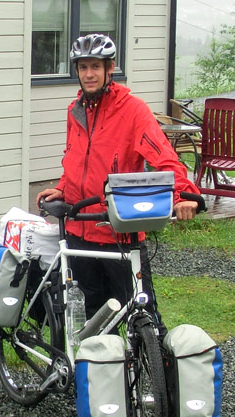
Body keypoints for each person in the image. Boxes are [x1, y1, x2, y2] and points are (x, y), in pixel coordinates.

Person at [37, 33, 200, 335]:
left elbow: (164, 157)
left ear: (110, 69)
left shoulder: (132, 111)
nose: (89, 74)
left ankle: (161, 378)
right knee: (90, 323)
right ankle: (95, 379)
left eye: (95, 66)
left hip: (118, 232)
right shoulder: (76, 110)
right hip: (78, 229)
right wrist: (63, 186)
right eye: (83, 67)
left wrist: (185, 194)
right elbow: (76, 158)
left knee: (145, 318)